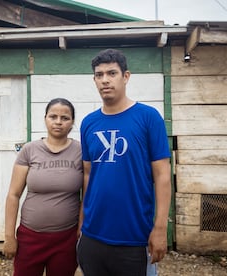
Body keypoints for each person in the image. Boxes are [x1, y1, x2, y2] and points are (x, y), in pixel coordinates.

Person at [77, 49, 172, 276]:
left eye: (112, 73)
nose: (105, 80)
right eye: (99, 75)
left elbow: (162, 176)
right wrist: (82, 224)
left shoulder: (148, 117)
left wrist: (160, 227)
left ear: (126, 76)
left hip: (134, 237)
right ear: (94, 80)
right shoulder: (88, 123)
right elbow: (88, 175)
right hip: (93, 236)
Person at [2, 98, 82, 276]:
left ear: (72, 122)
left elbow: (88, 194)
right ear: (45, 118)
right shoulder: (29, 150)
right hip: (30, 237)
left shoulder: (81, 151)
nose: (58, 122)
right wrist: (9, 236)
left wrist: (81, 229)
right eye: (53, 116)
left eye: (65, 118)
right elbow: (13, 195)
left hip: (66, 238)